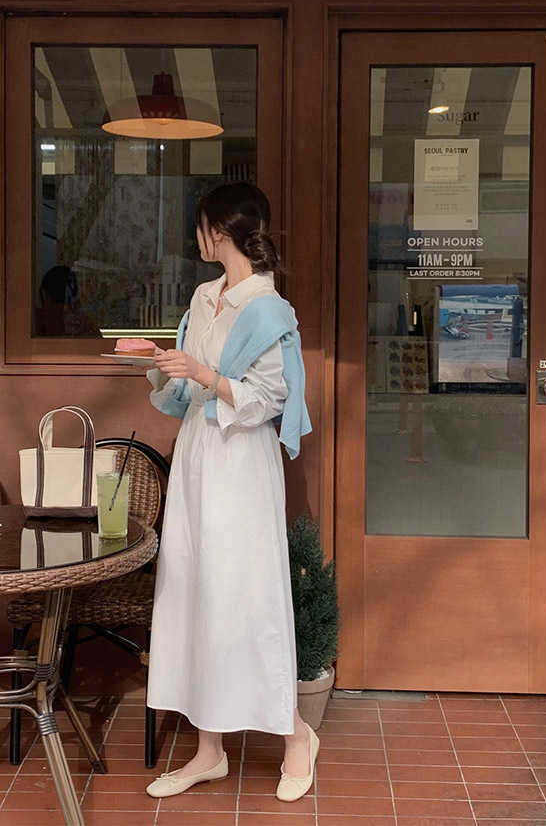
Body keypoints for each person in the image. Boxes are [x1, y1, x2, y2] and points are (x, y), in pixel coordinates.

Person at [143, 182, 316, 802]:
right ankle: (209, 749)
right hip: (196, 455)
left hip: (241, 463)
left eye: (200, 226)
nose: (197, 237)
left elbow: (269, 400)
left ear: (218, 232)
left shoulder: (269, 309)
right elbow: (189, 386)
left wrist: (203, 372)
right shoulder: (203, 295)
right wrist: (162, 365)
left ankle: (296, 737)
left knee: (246, 597)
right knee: (195, 592)